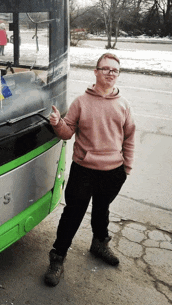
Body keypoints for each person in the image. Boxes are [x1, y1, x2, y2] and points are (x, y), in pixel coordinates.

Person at [44, 53, 136, 287]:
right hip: (83, 170)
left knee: (102, 209)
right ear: (95, 72)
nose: (110, 74)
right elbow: (67, 133)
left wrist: (126, 167)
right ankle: (58, 257)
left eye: (115, 70)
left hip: (113, 171)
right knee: (73, 214)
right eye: (105, 69)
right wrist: (57, 123)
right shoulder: (80, 102)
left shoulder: (124, 104)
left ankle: (99, 244)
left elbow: (129, 138)